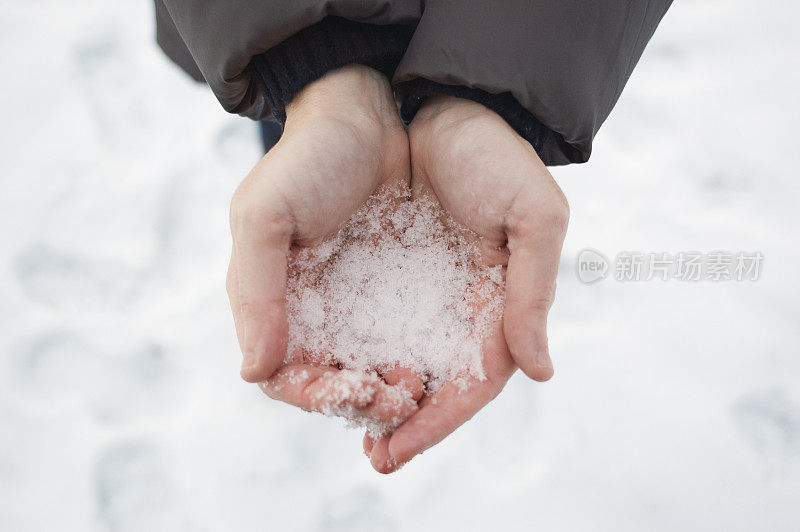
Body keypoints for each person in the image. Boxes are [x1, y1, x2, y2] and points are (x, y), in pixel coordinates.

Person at [155, 1, 672, 473]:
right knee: (300, 148)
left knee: (310, 141)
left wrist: (489, 102)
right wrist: (314, 67)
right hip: (284, 52)